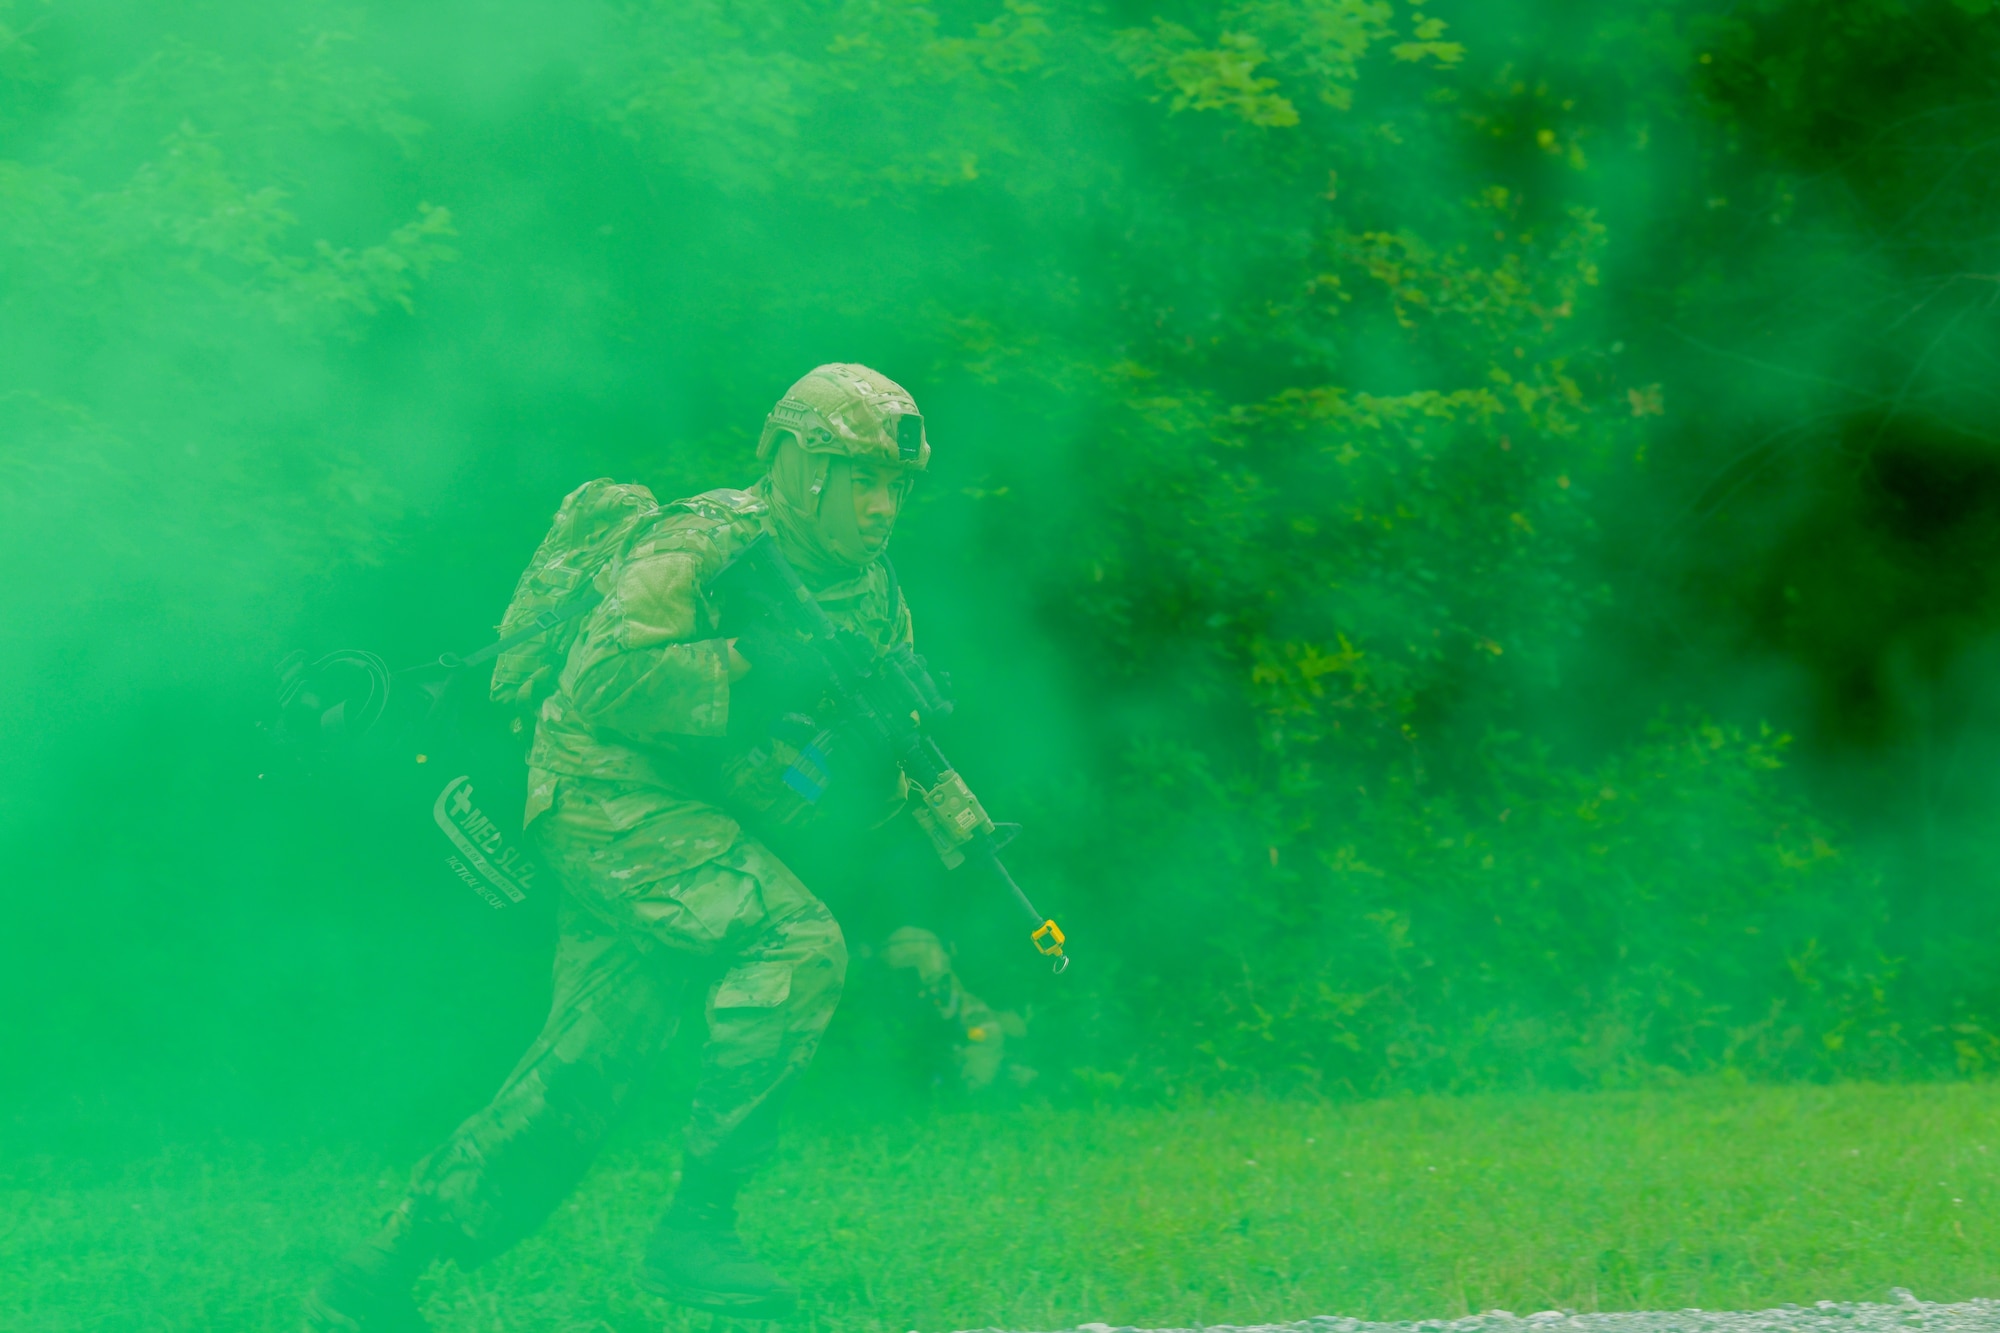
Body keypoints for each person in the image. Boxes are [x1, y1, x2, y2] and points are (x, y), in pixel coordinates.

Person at [307, 363, 980, 1329]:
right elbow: (602, 684)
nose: (882, 507)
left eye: (896, 487)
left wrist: (906, 769)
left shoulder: (873, 593)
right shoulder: (704, 540)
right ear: (798, 466)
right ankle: (697, 1227)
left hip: (695, 811)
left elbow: (830, 759)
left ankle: (377, 1272)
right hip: (598, 787)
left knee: (587, 1062)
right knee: (796, 942)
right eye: (860, 477)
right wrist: (755, 664)